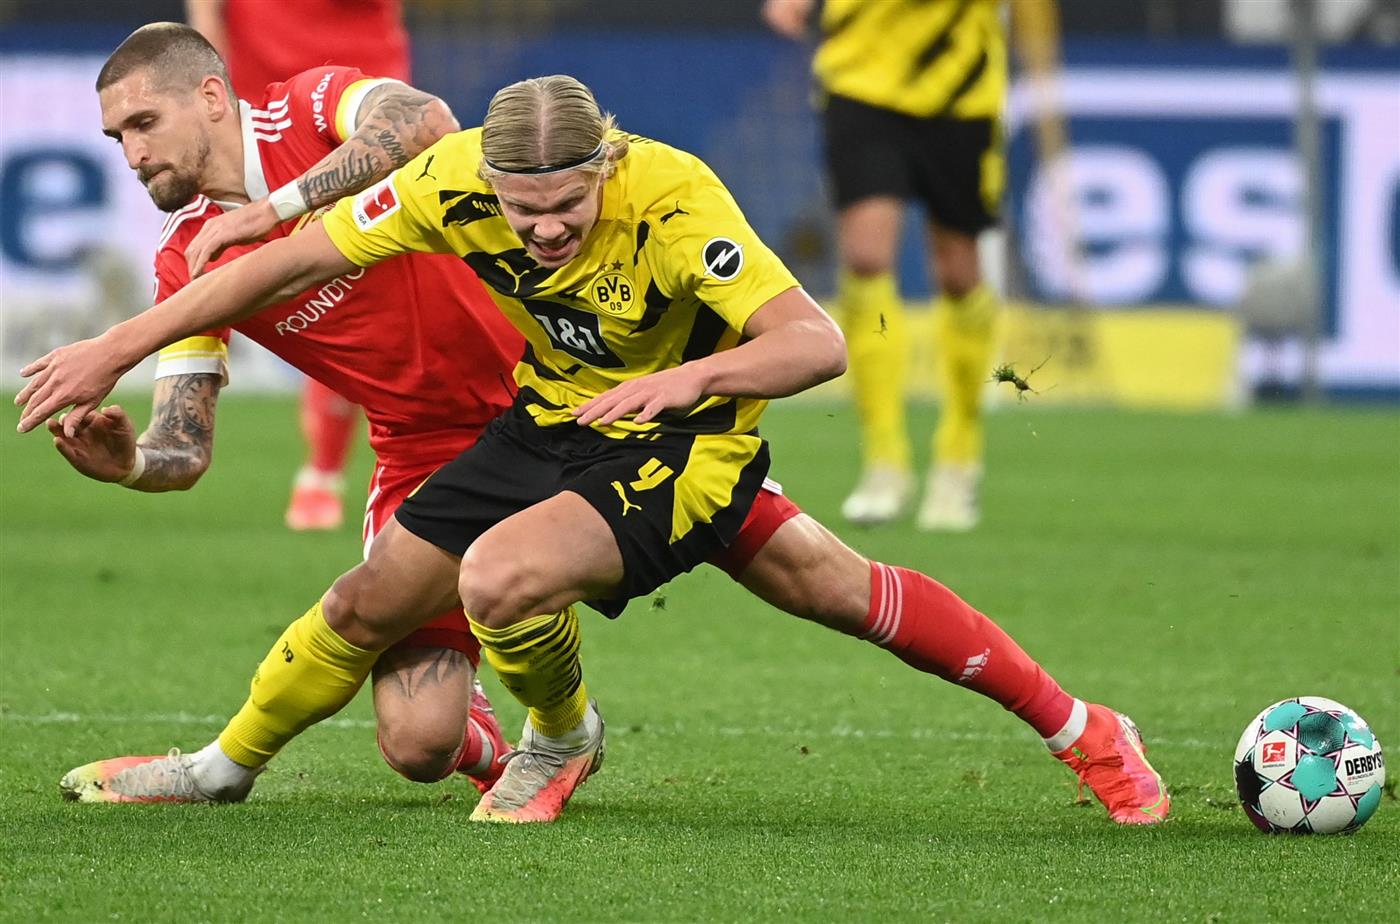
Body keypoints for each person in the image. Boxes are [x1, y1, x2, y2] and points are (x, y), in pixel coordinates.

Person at [18, 75, 1169, 827]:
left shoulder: (671, 197)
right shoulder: (451, 181)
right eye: (521, 211)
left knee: (507, 578)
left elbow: (813, 343)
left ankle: (561, 741)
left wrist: (687, 379)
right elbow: (291, 263)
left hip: (685, 436)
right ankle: (219, 772)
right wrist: (117, 346)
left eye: (564, 205)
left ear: (604, 167)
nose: (542, 229)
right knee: (373, 598)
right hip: (556, 415)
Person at [45, 22, 525, 794]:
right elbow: (184, 448)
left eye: (144, 123)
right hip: (429, 448)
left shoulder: (304, 109)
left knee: (751, 550)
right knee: (419, 744)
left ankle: (558, 718)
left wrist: (276, 211)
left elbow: (426, 121)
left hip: (559, 384)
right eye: (117, 137)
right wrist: (130, 462)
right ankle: (510, 747)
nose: (132, 154)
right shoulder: (185, 256)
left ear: (211, 97)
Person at [764, 0, 1013, 530]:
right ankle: (885, 461)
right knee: (866, 257)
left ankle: (959, 453)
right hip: (860, 77)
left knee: (958, 272)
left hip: (960, 83)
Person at [186, 0, 413, 531]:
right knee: (225, 262)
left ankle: (329, 470)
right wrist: (208, 79)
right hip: (257, 100)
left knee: (363, 279)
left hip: (355, 97)